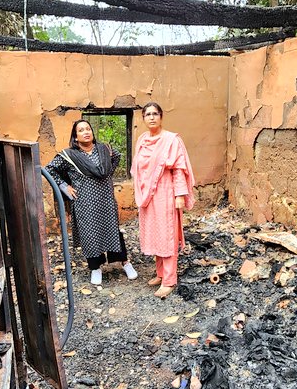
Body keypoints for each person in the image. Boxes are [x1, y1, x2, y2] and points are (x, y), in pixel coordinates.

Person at [46, 120, 136, 285]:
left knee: (113, 230)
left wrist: (107, 173)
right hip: (84, 202)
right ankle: (95, 267)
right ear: (75, 136)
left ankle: (125, 262)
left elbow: (117, 157)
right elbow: (49, 169)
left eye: (88, 129)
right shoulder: (69, 155)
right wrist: (65, 186)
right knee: (90, 234)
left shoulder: (105, 149)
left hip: (105, 199)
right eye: (81, 130)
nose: (86, 132)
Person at [130, 102, 195, 298]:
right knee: (155, 233)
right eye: (147, 114)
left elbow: (178, 169)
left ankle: (169, 280)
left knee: (167, 235)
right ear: (143, 118)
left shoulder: (171, 140)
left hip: (166, 192)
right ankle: (160, 273)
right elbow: (138, 168)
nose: (151, 117)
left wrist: (179, 195)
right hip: (147, 195)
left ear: (161, 116)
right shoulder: (142, 139)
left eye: (155, 114)